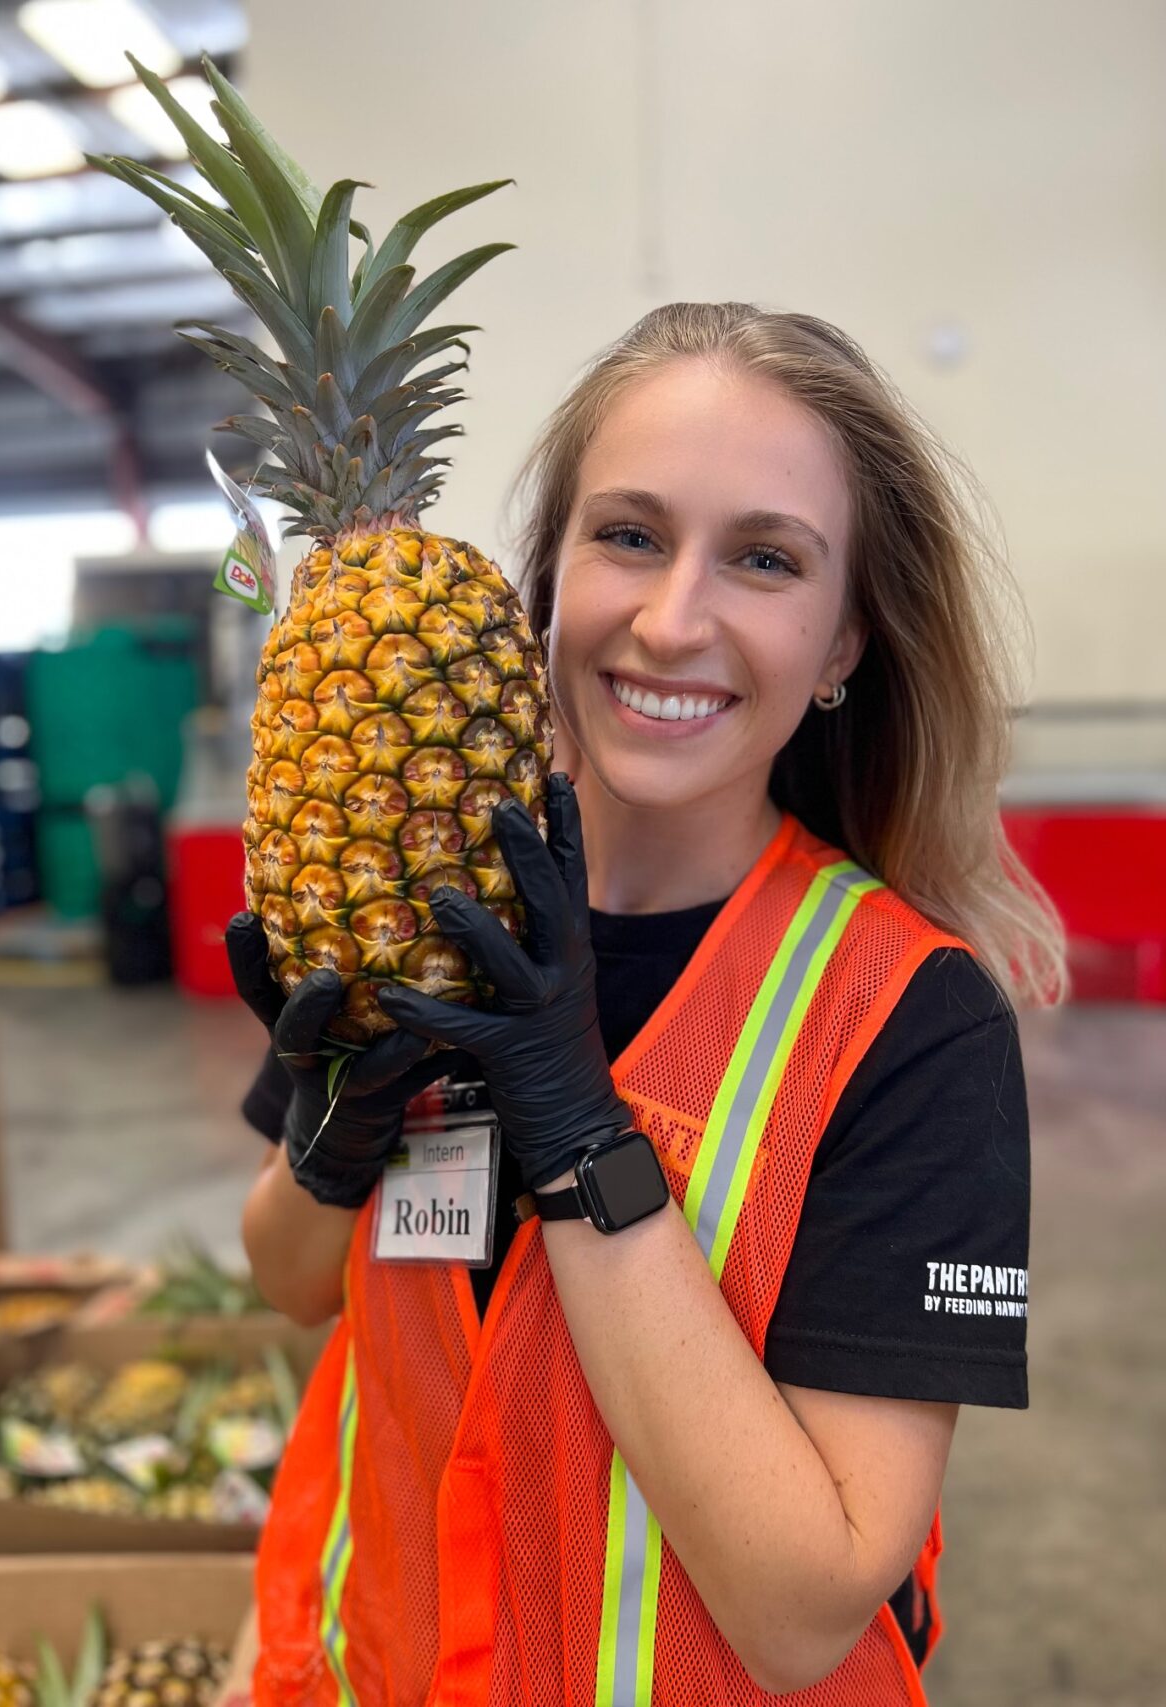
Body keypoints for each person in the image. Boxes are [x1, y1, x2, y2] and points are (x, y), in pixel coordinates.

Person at [231, 301, 1064, 1705]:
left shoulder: (909, 1021)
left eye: (763, 559)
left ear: (847, 638)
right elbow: (294, 1280)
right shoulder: (422, 877)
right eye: (628, 535)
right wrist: (326, 1144)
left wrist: (579, 1144)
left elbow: (803, 1612)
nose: (675, 621)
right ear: (541, 576)